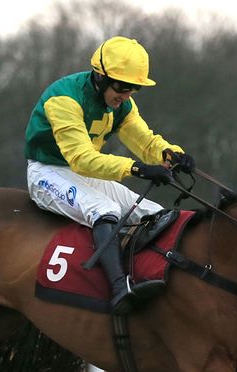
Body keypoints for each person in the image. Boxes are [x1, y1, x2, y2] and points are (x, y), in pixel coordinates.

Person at [24, 36, 195, 315]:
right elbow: (81, 159)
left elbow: (146, 141)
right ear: (100, 77)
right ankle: (119, 288)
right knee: (105, 210)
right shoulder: (64, 99)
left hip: (82, 173)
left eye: (134, 88)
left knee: (156, 212)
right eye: (122, 87)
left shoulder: (122, 104)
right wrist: (136, 169)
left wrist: (171, 154)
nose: (126, 94)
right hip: (47, 171)